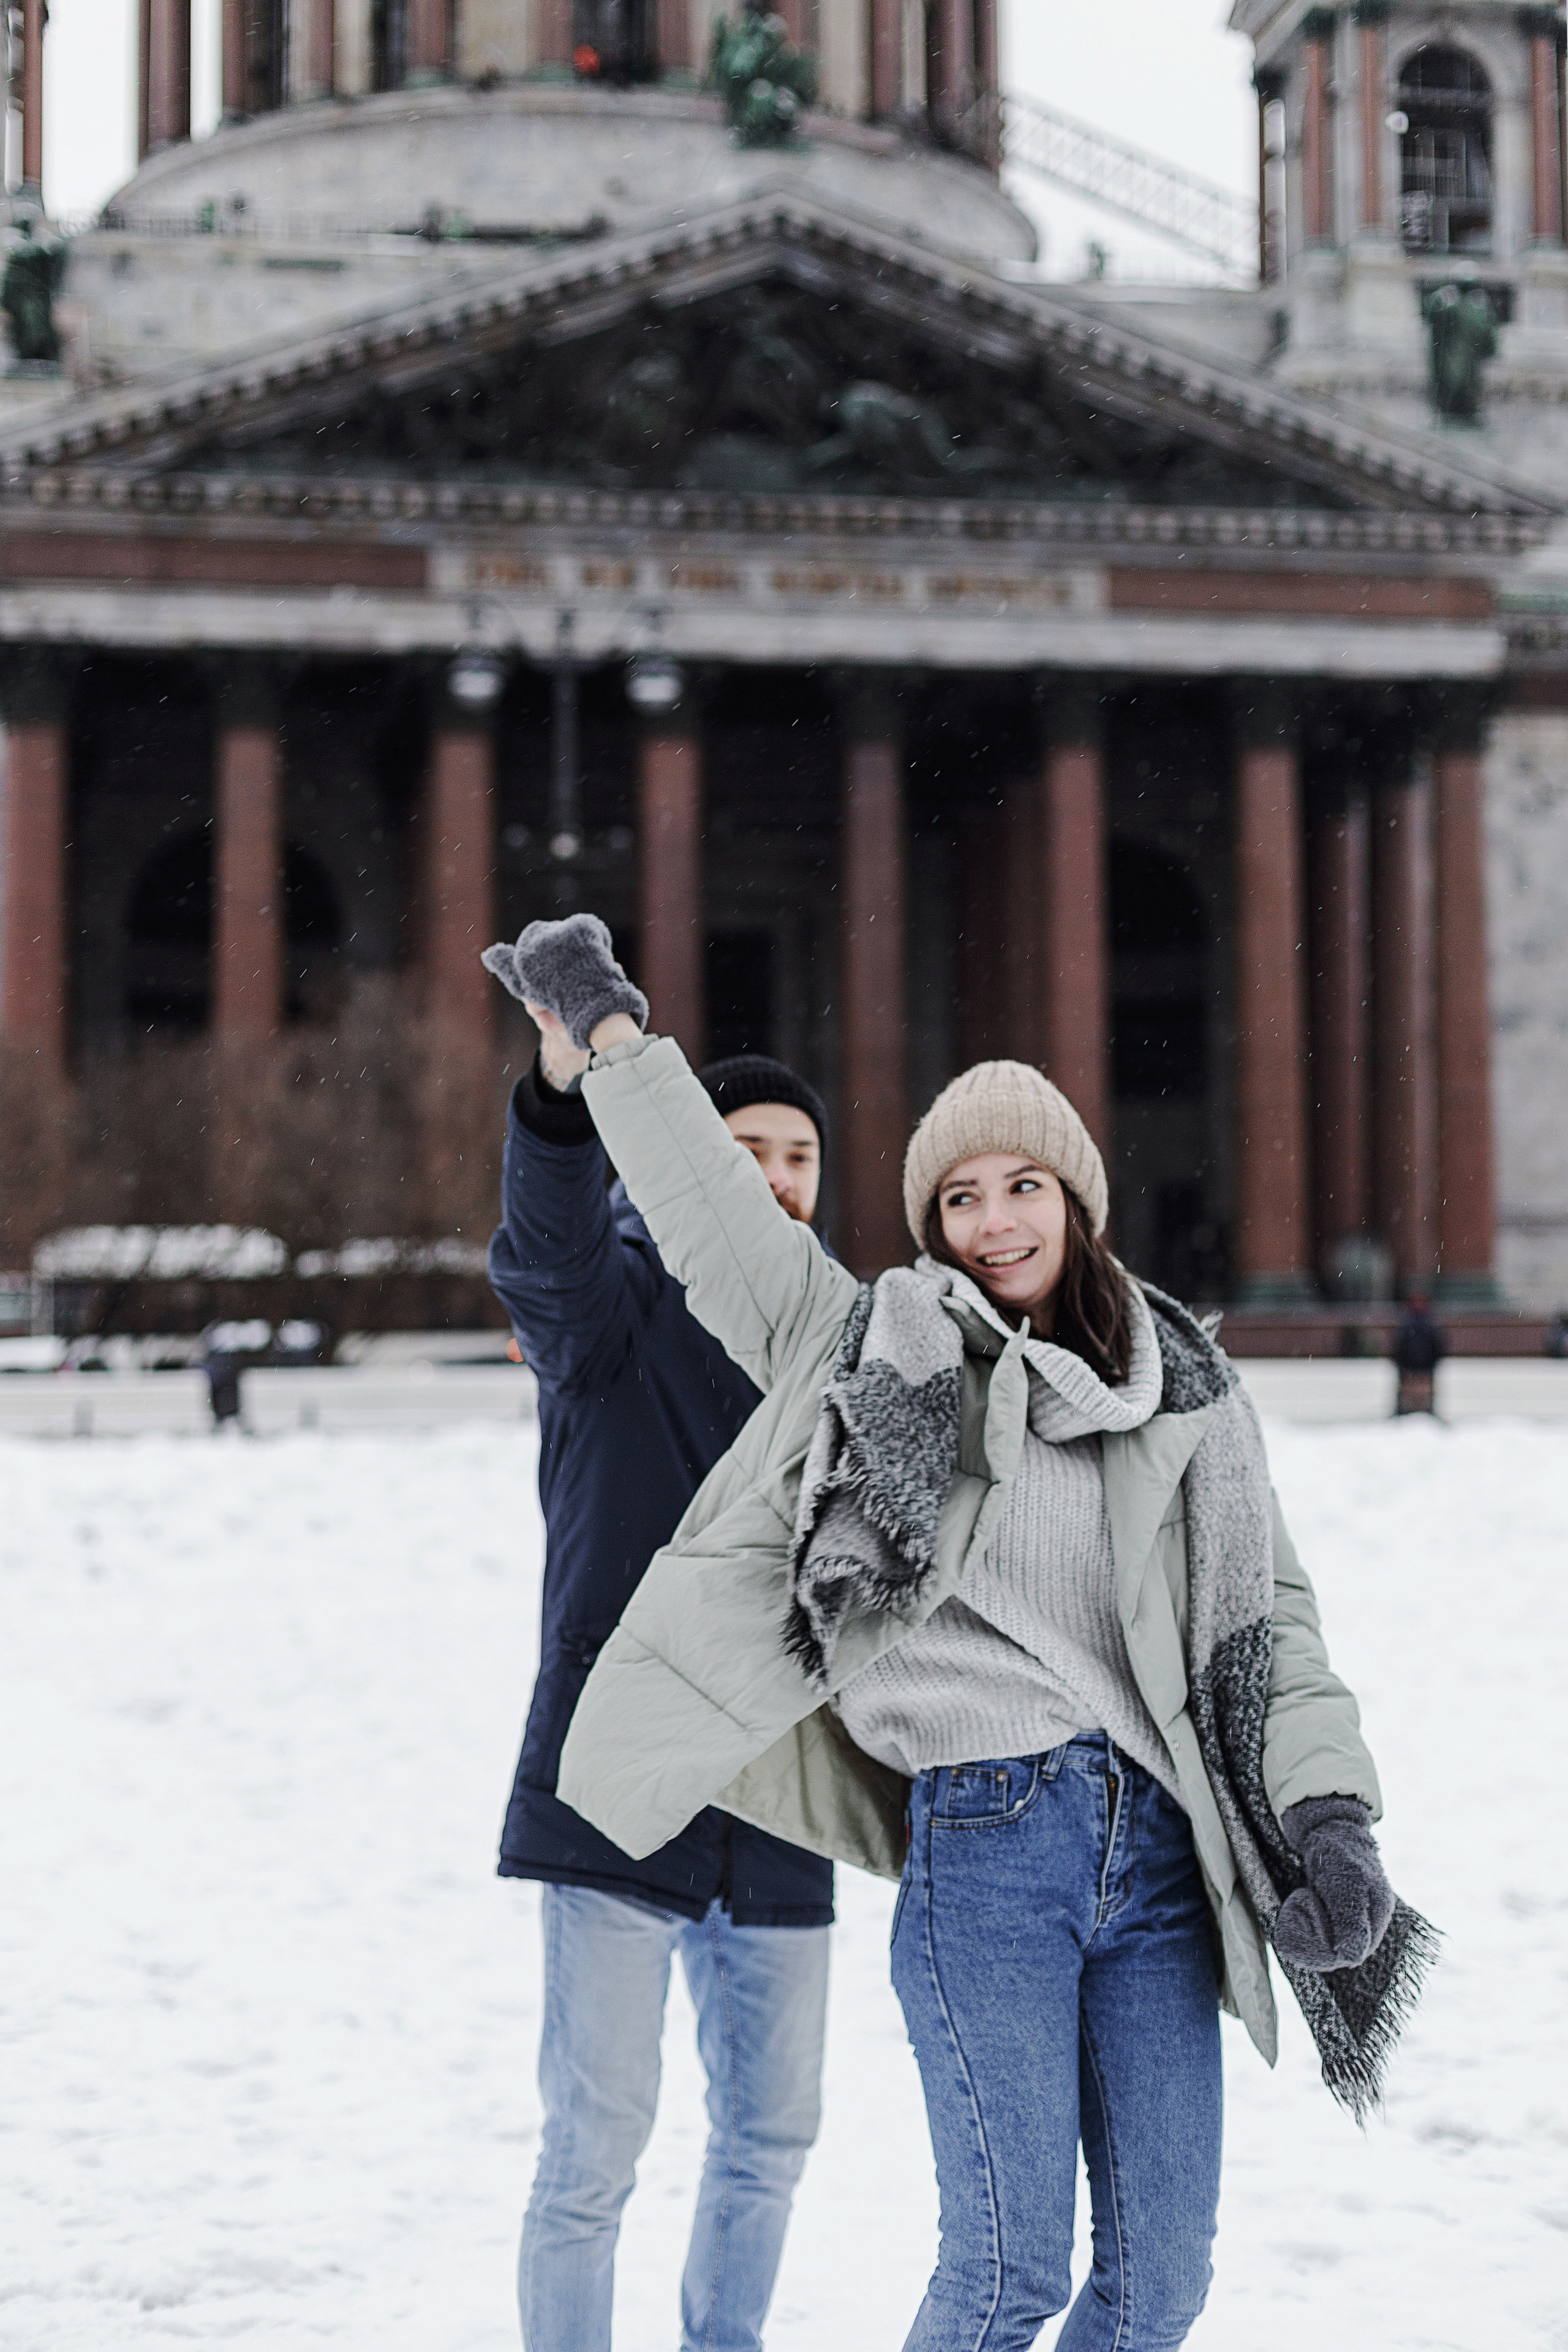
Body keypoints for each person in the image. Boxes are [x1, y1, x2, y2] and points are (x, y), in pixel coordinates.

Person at [494, 913, 1436, 2352]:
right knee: (1005, 2272)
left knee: (1157, 2286)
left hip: (1165, 1867)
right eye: (954, 1199)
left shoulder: (1181, 1391)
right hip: (989, 1844)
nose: (989, 1220)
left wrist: (1329, 1813)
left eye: (1020, 1185)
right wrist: (609, 1033)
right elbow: (709, 1210)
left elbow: (1269, 1629)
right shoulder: (866, 1345)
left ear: (1076, 1195)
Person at [481, 916, 834, 2352]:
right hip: (619, 1783)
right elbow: (545, 1254)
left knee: (771, 2141)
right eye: (741, 1147)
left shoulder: (839, 1337)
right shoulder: (611, 1307)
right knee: (592, 2156)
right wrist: (565, 1097)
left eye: (798, 1155)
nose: (771, 1176)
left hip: (781, 1790)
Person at [1392, 1292, 1446, 1416]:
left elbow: (1437, 1348)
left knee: (1423, 1400)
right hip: (1410, 1371)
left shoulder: (1429, 1324)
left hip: (1423, 1371)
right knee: (1409, 1400)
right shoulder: (1407, 1324)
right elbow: (1399, 1348)